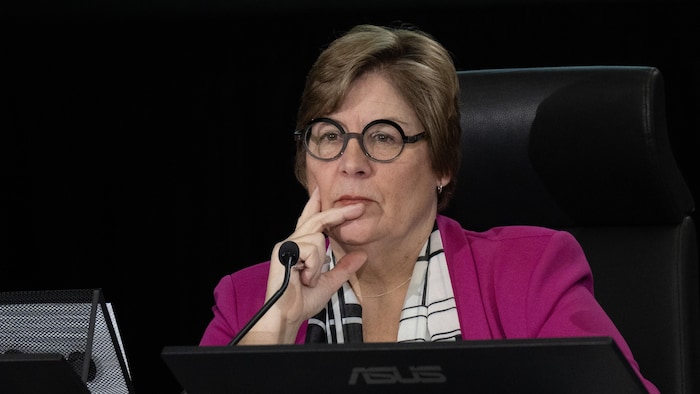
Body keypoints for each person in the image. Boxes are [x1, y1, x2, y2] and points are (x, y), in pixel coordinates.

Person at [199, 23, 659, 393]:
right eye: (329, 137)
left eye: (383, 137)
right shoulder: (247, 301)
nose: (351, 164)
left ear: (441, 164)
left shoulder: (529, 274)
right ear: (305, 165)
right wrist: (276, 324)